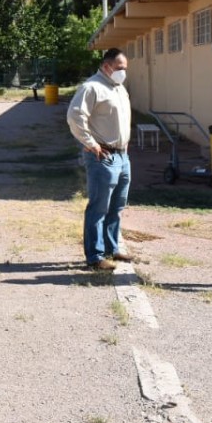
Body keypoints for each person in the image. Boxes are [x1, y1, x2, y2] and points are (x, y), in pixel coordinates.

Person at [67, 48, 132, 271]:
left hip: (122, 156)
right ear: (106, 66)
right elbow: (75, 117)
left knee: (117, 206)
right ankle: (95, 256)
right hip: (102, 156)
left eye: (125, 68)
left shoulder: (119, 88)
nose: (123, 72)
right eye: (120, 68)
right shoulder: (92, 87)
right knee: (99, 207)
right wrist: (91, 144)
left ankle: (111, 248)